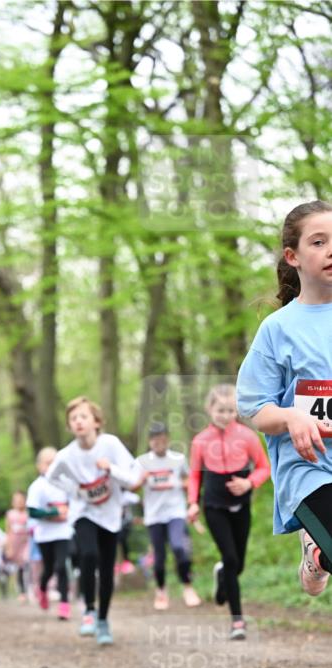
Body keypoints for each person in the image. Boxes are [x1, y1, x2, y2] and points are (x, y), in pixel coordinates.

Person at [236, 200, 332, 596]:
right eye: (318, 241)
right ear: (292, 256)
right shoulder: (278, 329)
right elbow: (254, 407)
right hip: (309, 468)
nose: (331, 249)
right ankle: (318, 548)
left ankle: (317, 553)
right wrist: (293, 418)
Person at [47, 397, 142, 645]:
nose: (79, 422)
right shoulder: (67, 454)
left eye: (83, 417)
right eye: (73, 419)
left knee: (107, 569)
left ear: (96, 422)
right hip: (84, 513)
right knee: (88, 554)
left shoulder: (110, 445)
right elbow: (51, 476)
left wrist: (110, 468)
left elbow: (132, 478)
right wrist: (75, 490)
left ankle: (102, 620)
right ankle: (89, 609)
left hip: (111, 515)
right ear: (69, 426)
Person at [188, 385, 270, 639]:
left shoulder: (248, 437)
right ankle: (237, 622)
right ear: (209, 409)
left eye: (231, 410)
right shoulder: (200, 441)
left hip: (241, 505)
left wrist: (249, 483)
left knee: (238, 564)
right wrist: (192, 502)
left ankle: (222, 576)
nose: (225, 415)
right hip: (214, 506)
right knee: (231, 558)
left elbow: (264, 468)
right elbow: (194, 475)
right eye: (220, 410)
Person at [137, 422, 201, 610]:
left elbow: (190, 480)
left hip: (175, 511)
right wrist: (142, 479)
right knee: (159, 557)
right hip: (154, 515)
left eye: (162, 438)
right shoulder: (141, 461)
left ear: (168, 439)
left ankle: (187, 587)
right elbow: (132, 484)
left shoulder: (178, 459)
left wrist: (183, 488)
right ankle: (161, 590)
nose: (159, 442)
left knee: (179, 547)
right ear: (150, 441)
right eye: (155, 439)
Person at [26, 446, 73, 619]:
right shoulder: (37, 487)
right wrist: (53, 513)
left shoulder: (66, 483)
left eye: (55, 463)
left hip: (63, 532)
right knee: (50, 568)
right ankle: (42, 588)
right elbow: (32, 512)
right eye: (47, 463)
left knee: (62, 566)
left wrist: (67, 511)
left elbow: (74, 503)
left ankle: (64, 603)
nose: (51, 466)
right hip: (45, 534)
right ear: (40, 466)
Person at [4, 490, 30, 601]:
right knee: (19, 568)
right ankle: (22, 591)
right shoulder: (10, 514)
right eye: (16, 500)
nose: (18, 502)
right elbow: (8, 531)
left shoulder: (28, 514)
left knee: (28, 564)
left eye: (21, 500)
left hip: (27, 543)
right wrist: (8, 547)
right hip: (15, 544)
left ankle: (33, 589)